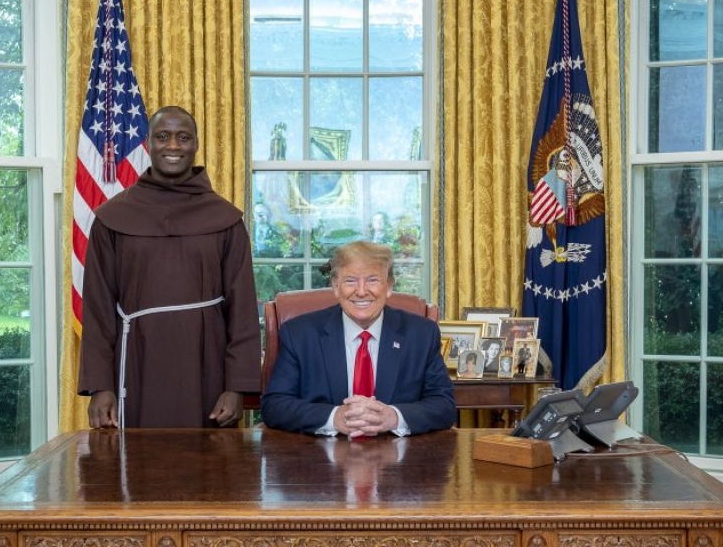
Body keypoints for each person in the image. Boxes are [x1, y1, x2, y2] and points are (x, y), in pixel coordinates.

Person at [79, 105, 261, 429]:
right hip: (136, 364)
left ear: (196, 145)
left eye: (183, 137)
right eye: (163, 137)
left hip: (207, 367)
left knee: (210, 473)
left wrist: (237, 388)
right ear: (148, 144)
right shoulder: (112, 218)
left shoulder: (226, 219)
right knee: (136, 471)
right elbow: (97, 309)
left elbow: (243, 310)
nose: (173, 146)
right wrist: (100, 386)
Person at [260, 241, 456, 437]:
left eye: (372, 280)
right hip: (320, 459)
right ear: (336, 287)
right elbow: (275, 405)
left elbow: (444, 405)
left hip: (400, 456)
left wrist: (393, 417)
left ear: (388, 287)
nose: (361, 291)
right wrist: (334, 417)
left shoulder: (421, 334)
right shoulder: (299, 334)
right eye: (350, 281)